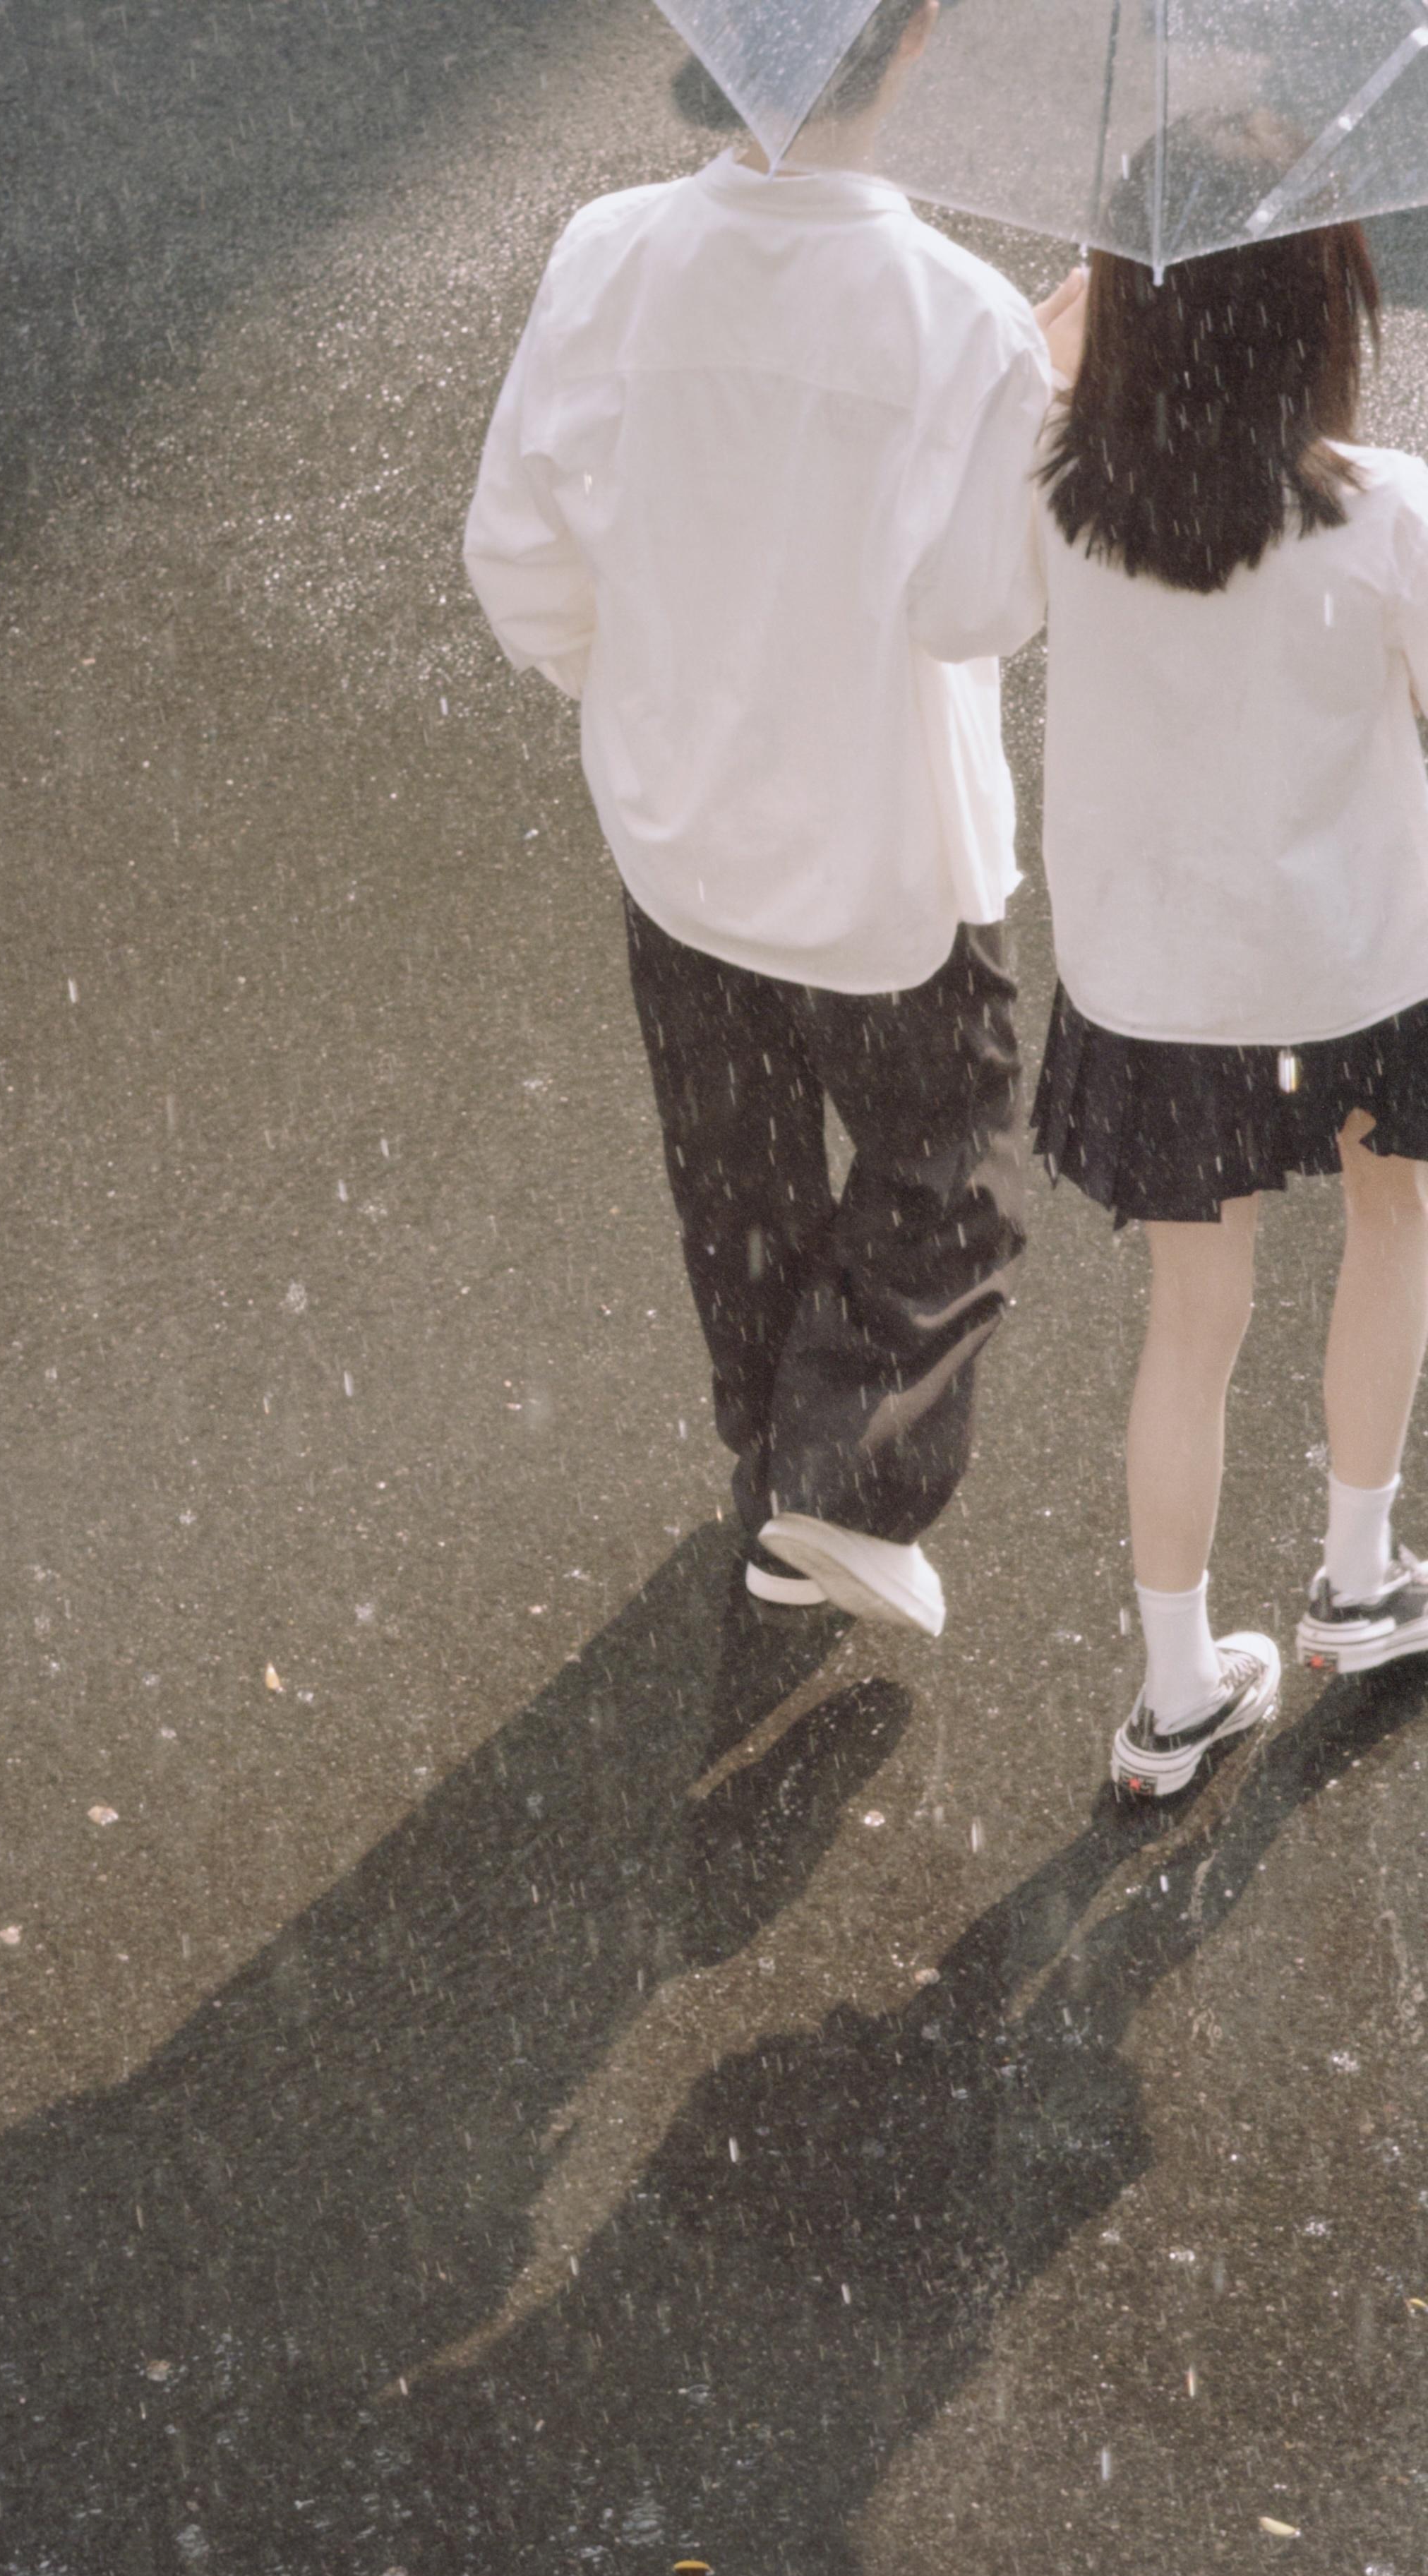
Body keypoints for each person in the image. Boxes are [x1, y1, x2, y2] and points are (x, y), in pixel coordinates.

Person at [463, 0, 1083, 1636]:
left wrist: (639, 691)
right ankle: (844, 1485)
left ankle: (773, 1454)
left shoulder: (610, 255)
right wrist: (1041, 406)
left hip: (677, 833)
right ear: (918, 39)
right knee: (948, 1167)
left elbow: (517, 549)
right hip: (881, 854)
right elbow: (981, 604)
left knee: (733, 1166)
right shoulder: (961, 318)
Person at [1033, 130, 1428, 1799]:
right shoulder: (1383, 512)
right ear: (1323, 313)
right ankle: (1359, 1573)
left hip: (1159, 978)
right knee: (1394, 1225)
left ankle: (1177, 1687)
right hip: (1358, 958)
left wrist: (1048, 345)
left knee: (1192, 1322)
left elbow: (960, 598)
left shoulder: (1065, 495)